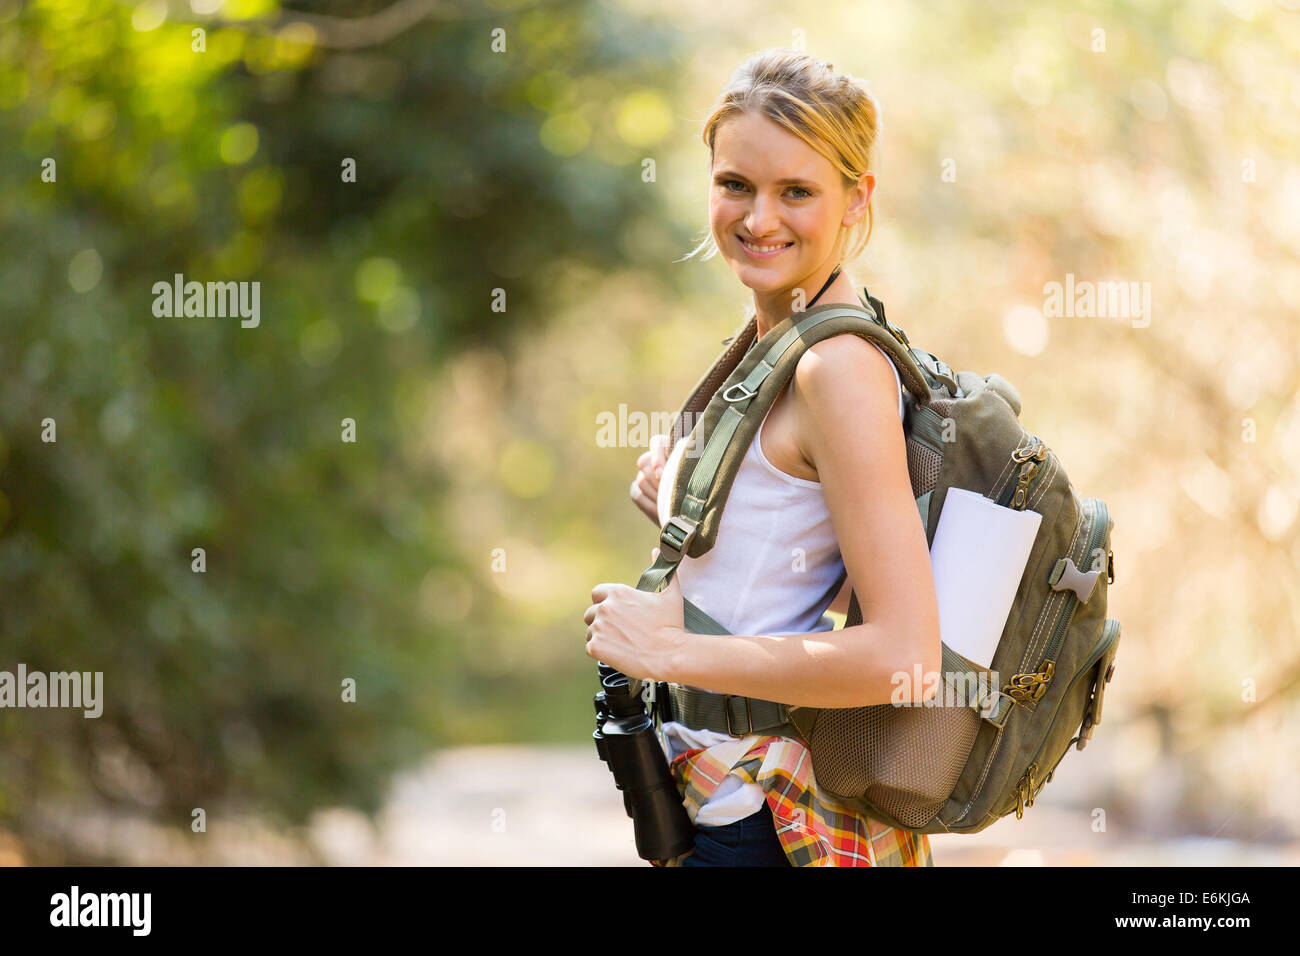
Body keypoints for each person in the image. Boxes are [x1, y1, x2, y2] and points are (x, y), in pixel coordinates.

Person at [585, 48, 941, 866]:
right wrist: (691, 507)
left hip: (761, 824)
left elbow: (904, 655)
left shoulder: (837, 369)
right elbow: (813, 558)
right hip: (716, 802)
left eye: (797, 192)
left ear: (858, 199)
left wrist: (671, 651)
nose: (758, 219)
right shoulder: (780, 336)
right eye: (735, 184)